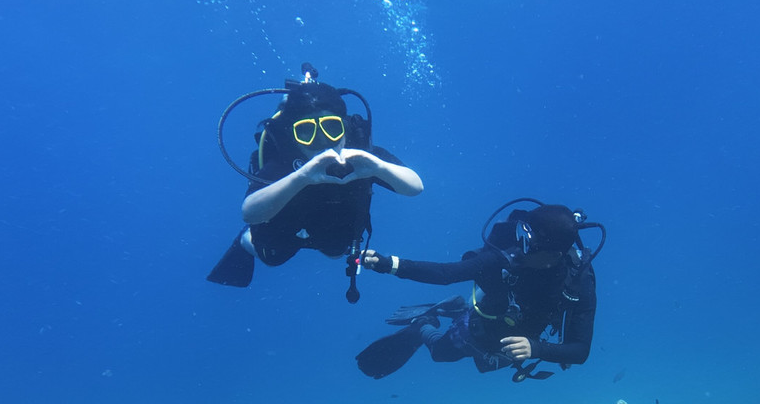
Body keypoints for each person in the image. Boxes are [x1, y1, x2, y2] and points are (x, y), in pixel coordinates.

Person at [208, 64, 423, 302]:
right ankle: (244, 240)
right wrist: (301, 177)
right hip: (286, 219)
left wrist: (378, 167)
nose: (322, 142)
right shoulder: (284, 161)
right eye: (306, 132)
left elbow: (415, 186)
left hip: (333, 221)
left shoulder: (362, 157)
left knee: (335, 250)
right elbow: (249, 213)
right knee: (272, 257)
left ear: (345, 125)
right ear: (292, 136)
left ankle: (329, 242)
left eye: (332, 127)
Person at [356, 200, 602, 382]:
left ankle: (454, 307)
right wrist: (387, 264)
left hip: (522, 338)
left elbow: (580, 350)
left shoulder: (579, 281)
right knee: (440, 354)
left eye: (528, 245)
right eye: (521, 237)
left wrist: (537, 348)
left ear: (554, 255)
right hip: (487, 320)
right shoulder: (511, 257)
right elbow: (447, 274)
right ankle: (423, 323)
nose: (519, 248)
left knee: (488, 359)